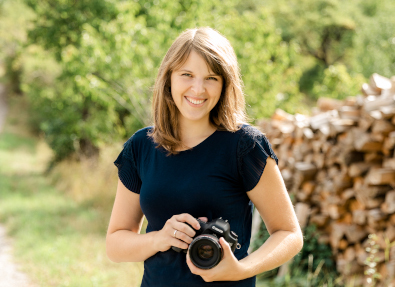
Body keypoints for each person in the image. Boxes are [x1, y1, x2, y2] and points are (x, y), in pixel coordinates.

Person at [106, 27, 303, 287]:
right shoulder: (141, 147)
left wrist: (241, 269)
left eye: (211, 78)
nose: (198, 89)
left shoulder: (245, 146)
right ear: (169, 78)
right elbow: (115, 243)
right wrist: (161, 238)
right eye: (186, 74)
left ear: (225, 84)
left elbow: (289, 234)